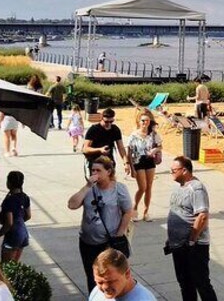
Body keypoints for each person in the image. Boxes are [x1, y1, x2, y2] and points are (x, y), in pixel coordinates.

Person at [67, 156, 134, 293]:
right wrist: (87, 186)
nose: (94, 174)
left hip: (107, 242)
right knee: (92, 276)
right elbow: (72, 205)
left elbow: (128, 212)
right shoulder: (89, 189)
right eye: (92, 170)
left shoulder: (118, 189)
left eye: (98, 170)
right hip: (87, 241)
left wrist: (118, 235)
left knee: (108, 275)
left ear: (109, 171)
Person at [166, 156, 218, 301]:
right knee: (185, 283)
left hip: (194, 246)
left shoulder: (196, 188)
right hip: (179, 245)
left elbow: (202, 216)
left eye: (173, 170)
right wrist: (171, 238)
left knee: (201, 283)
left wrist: (192, 240)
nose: (171, 173)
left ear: (184, 170)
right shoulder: (180, 187)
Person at [126, 109, 162, 222]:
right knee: (142, 187)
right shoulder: (134, 135)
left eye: (147, 120)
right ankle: (135, 207)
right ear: (139, 121)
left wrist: (155, 149)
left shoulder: (153, 134)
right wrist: (131, 167)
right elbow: (129, 152)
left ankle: (146, 212)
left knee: (149, 186)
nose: (145, 123)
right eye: (143, 120)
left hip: (149, 160)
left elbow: (160, 146)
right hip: (138, 161)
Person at [0, 171, 30, 262]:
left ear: (8, 183)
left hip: (13, 235)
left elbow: (9, 223)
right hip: (23, 234)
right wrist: (19, 221)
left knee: (6, 266)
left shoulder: (9, 201)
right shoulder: (25, 197)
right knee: (14, 265)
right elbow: (28, 216)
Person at [89, 248, 156, 300]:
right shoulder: (97, 292)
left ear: (127, 273)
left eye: (110, 281)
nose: (105, 287)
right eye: (100, 282)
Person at [83, 108, 129, 176]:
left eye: (111, 121)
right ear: (101, 118)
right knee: (95, 185)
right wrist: (99, 149)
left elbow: (121, 148)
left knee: (110, 184)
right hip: (94, 163)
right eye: (106, 122)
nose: (109, 124)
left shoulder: (115, 129)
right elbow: (85, 149)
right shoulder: (93, 129)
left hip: (108, 162)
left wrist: (126, 163)